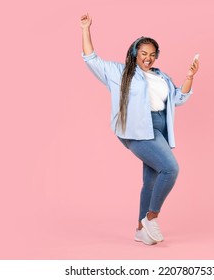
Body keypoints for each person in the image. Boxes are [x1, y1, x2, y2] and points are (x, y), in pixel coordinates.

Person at [80, 13, 199, 245]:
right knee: (170, 169)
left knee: (151, 180)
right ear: (135, 53)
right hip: (137, 131)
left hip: (159, 128)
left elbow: (178, 99)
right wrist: (86, 29)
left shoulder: (160, 76)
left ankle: (139, 230)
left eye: (152, 55)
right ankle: (151, 218)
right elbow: (91, 59)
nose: (148, 58)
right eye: (144, 53)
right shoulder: (119, 73)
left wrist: (189, 76)